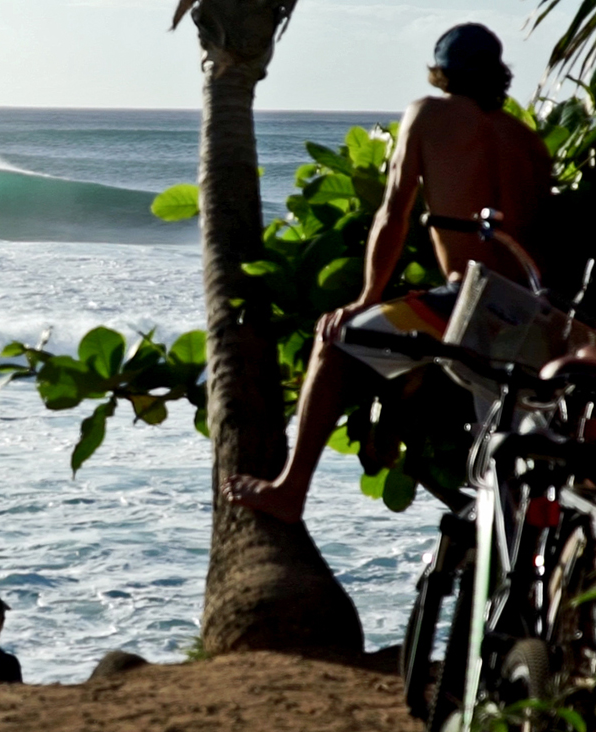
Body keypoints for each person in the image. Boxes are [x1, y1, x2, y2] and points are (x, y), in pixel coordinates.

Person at [222, 23, 552, 523]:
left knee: (337, 343)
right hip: (534, 316)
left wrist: (365, 299)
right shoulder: (529, 143)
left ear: (441, 74)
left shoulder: (427, 114)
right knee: (507, 478)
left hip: (467, 304)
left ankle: (289, 492)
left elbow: (393, 215)